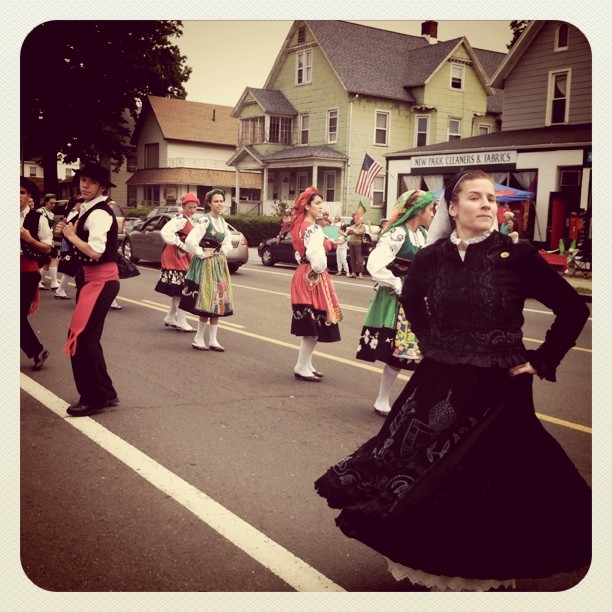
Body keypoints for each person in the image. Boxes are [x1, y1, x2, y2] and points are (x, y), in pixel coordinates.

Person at [315, 169, 590, 591]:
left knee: (487, 475)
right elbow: (410, 297)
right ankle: (430, 559)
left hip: (499, 385)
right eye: (475, 198)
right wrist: (430, 341)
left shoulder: (516, 257)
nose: (486, 205)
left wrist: (542, 359)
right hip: (439, 375)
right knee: (422, 464)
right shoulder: (433, 255)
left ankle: (483, 566)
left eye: (491, 200)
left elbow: (573, 309)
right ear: (453, 207)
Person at [356, 190, 436, 416]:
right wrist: (397, 284)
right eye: (430, 209)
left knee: (421, 352)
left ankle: (416, 402)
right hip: (398, 298)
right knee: (400, 351)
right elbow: (374, 265)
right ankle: (383, 400)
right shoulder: (398, 234)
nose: (433, 213)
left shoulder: (422, 234)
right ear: (419, 210)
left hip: (419, 296)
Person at [56, 162, 121, 417]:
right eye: (83, 180)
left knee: (81, 339)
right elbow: (73, 237)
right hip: (93, 281)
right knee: (88, 339)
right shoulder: (87, 208)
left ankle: (93, 398)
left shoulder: (100, 212)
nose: (85, 184)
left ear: (102, 187)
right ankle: (105, 391)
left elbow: (95, 251)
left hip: (100, 281)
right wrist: (65, 232)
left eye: (91, 182)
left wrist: (72, 237)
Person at [289, 187, 342, 381]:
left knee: (314, 324)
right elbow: (316, 256)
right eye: (317, 203)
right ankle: (301, 366)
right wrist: (320, 269)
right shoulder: (311, 228)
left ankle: (306, 364)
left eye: (321, 203)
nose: (321, 207)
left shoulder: (303, 227)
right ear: (307, 205)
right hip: (312, 276)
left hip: (304, 274)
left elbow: (299, 253)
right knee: (312, 324)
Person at [180, 189, 234, 352]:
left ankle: (213, 339)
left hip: (218, 264)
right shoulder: (205, 220)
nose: (219, 204)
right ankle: (198, 338)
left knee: (218, 300)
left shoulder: (222, 222)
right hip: (206, 264)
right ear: (209, 203)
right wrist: (202, 253)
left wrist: (223, 251)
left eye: (221, 201)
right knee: (207, 299)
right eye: (216, 201)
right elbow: (190, 240)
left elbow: (228, 241)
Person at [20, 177, 52, 371]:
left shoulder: (38, 218)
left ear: (29, 196)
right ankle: (37, 351)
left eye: (22, 192)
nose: (17, 196)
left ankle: (37, 351)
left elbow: (48, 249)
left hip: (27, 272)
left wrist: (29, 239)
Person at [154, 193, 199, 332]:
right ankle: (181, 320)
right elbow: (166, 232)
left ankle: (170, 317)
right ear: (183, 207)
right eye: (190, 207)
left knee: (178, 289)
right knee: (181, 289)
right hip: (176, 255)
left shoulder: (188, 219)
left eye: (195, 207)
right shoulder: (180, 218)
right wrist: (179, 244)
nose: (192, 210)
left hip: (183, 255)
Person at [54, 199, 83, 300]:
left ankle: (60, 289)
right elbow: (67, 227)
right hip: (70, 242)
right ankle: (60, 289)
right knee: (71, 265)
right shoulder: (74, 213)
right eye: (82, 203)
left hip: (70, 241)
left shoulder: (72, 212)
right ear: (78, 203)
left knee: (72, 266)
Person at [37, 194, 60, 290]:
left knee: (47, 261)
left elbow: (49, 229)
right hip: (41, 240)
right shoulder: (40, 212)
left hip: (48, 240)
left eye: (54, 203)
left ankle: (38, 280)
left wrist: (51, 240)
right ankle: (54, 282)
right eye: (51, 203)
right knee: (53, 256)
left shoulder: (51, 213)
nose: (53, 205)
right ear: (46, 202)